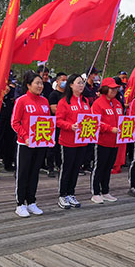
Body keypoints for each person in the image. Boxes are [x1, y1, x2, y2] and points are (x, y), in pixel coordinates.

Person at [11, 71, 51, 217]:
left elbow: (47, 123)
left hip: (40, 143)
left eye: (41, 83)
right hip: (25, 144)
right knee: (23, 173)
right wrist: (26, 136)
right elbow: (15, 123)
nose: (40, 86)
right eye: (37, 83)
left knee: (35, 173)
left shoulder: (45, 101)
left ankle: (31, 201)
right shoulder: (21, 101)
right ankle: (20, 203)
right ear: (28, 85)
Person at [56, 74, 92, 209]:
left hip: (82, 141)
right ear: (71, 85)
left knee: (76, 168)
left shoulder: (85, 101)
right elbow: (58, 121)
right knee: (67, 167)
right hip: (68, 141)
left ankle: (71, 193)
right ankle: (62, 194)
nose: (81, 85)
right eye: (78, 83)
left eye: (83, 83)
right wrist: (70, 126)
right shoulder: (64, 102)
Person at [90, 78, 123, 204]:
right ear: (105, 89)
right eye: (112, 88)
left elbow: (122, 120)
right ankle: (96, 192)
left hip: (115, 142)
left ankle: (105, 190)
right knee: (100, 166)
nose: (114, 90)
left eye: (116, 88)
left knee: (109, 166)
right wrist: (110, 129)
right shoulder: (98, 104)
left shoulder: (117, 103)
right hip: (102, 140)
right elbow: (96, 122)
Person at [45, 72, 67, 178]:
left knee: (60, 147)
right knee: (52, 146)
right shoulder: (54, 94)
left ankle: (59, 165)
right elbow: (54, 109)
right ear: (57, 82)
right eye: (63, 80)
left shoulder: (67, 95)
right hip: (54, 123)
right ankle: (50, 167)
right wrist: (65, 110)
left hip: (64, 124)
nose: (65, 82)